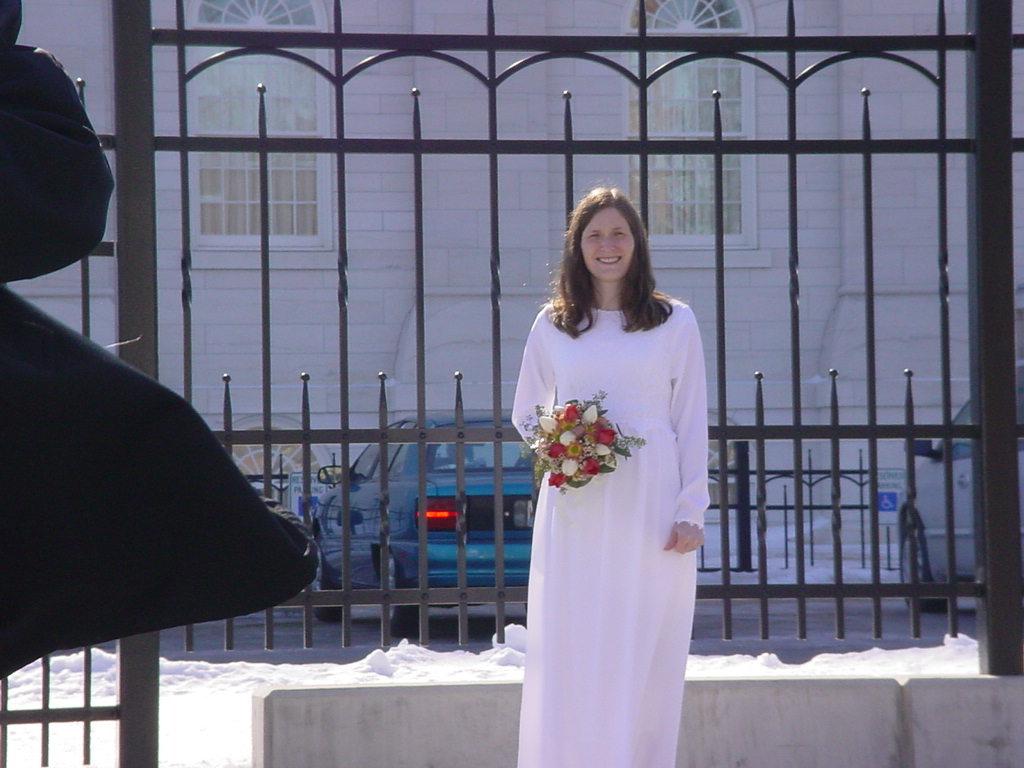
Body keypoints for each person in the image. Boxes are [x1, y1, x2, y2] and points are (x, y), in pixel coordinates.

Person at [512, 186, 709, 768]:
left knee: (642, 641)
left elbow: (691, 418)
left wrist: (690, 510)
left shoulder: (675, 322)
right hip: (577, 500)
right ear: (577, 246)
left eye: (618, 233)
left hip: (651, 503)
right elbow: (526, 410)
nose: (607, 245)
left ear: (637, 244)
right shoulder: (553, 325)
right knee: (576, 643)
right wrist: (566, 443)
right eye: (595, 234)